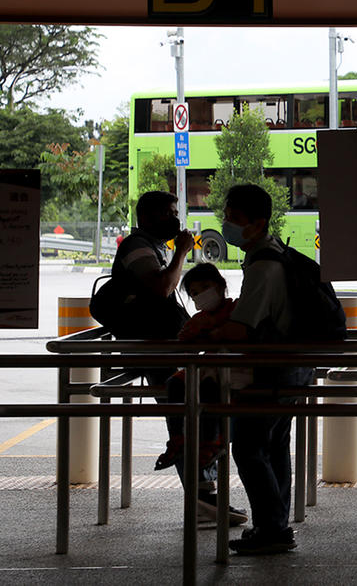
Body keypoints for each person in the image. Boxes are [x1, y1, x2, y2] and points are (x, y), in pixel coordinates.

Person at [110, 191, 243, 524]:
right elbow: (162, 287)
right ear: (149, 217)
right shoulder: (138, 246)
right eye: (169, 213)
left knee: (191, 416)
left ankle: (205, 495)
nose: (175, 219)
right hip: (154, 349)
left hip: (163, 347)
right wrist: (182, 252)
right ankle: (202, 498)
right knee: (186, 417)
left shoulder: (151, 246)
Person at [210, 184, 312, 555]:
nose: (227, 225)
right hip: (290, 367)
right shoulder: (275, 254)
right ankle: (275, 525)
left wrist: (209, 328)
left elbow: (242, 328)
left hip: (271, 371)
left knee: (250, 447)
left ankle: (272, 528)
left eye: (234, 218)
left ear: (258, 222)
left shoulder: (264, 265)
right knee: (273, 446)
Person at [155, 264, 251, 477]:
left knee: (209, 388)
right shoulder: (198, 319)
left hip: (232, 370)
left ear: (221, 286)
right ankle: (178, 438)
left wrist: (213, 331)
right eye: (195, 293)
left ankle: (212, 440)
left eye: (206, 287)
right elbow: (184, 343)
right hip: (209, 367)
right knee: (174, 383)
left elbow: (240, 333)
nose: (201, 295)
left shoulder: (236, 309)